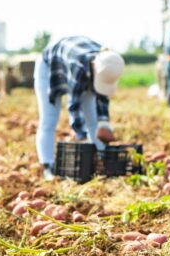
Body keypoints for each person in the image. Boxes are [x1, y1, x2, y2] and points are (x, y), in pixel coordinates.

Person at [35, 36, 125, 177]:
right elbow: (74, 104)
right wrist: (81, 137)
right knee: (49, 118)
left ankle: (102, 160)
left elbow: (102, 95)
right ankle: (48, 167)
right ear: (94, 71)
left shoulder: (109, 61)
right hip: (49, 67)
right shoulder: (79, 65)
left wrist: (104, 123)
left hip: (82, 69)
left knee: (93, 118)